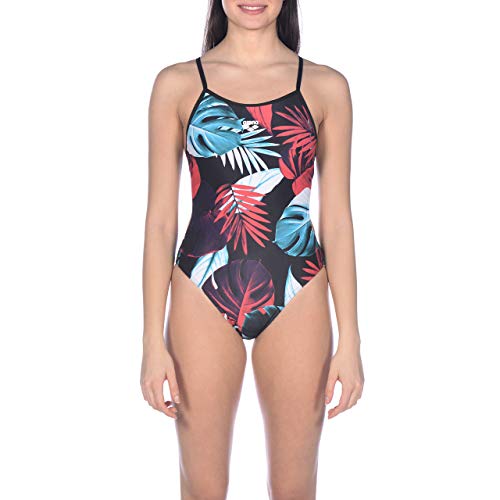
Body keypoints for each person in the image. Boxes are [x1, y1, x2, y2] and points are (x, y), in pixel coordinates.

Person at [141, 1, 364, 498]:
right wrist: (151, 342)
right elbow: (159, 223)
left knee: (294, 489)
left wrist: (350, 339)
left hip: (299, 287)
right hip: (201, 287)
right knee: (203, 488)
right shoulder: (178, 84)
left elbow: (338, 221)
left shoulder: (325, 87)